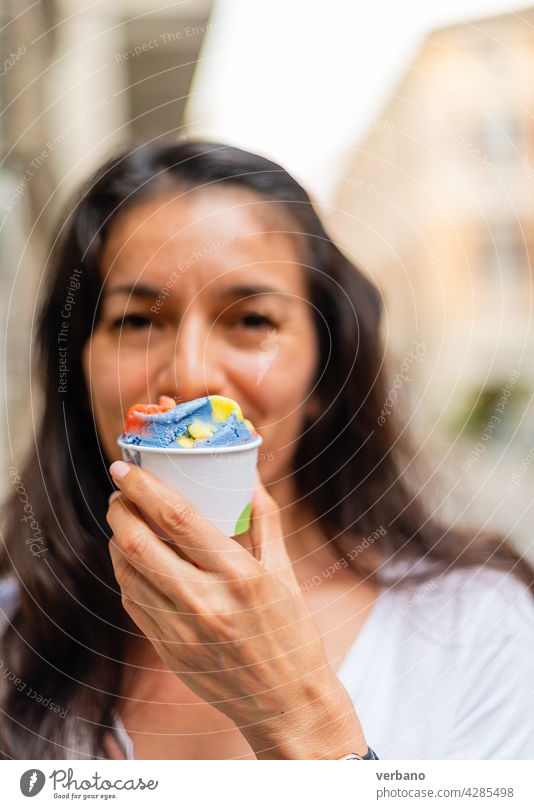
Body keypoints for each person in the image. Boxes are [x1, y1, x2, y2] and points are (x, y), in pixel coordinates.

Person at [0, 140, 532, 761]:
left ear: (323, 373)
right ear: (79, 367)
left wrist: (292, 712)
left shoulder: (476, 632)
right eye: (137, 321)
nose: (192, 377)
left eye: (252, 321)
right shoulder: (16, 633)